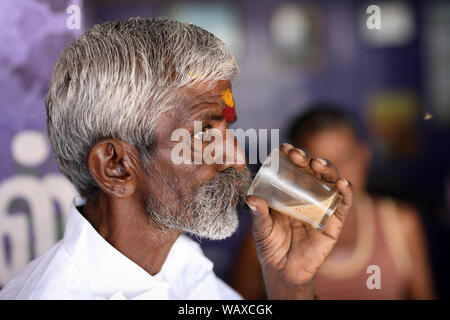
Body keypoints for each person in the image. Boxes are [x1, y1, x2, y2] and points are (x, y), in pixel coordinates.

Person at [0, 19, 353, 300]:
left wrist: (290, 285)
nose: (237, 158)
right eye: (203, 134)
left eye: (227, 130)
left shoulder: (180, 262)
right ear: (116, 166)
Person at [231, 105, 435, 299]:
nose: (335, 175)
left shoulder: (399, 222)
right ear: (294, 171)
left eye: (344, 158)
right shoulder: (270, 235)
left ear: (364, 156)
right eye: (318, 164)